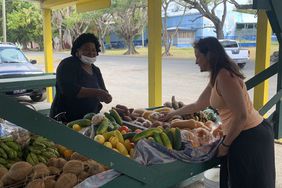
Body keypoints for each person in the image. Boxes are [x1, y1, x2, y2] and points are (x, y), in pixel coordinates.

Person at [164, 37, 275, 188]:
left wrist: (225, 144)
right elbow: (198, 104)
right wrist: (171, 114)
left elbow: (241, 116)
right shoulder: (217, 76)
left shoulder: (224, 77)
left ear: (209, 55)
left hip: (250, 137)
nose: (196, 62)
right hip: (243, 135)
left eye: (198, 56)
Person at [50, 33, 112, 122]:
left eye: (93, 50)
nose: (91, 53)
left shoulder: (95, 70)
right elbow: (69, 90)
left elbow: (103, 91)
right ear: (77, 51)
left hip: (89, 119)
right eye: (86, 49)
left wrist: (106, 97)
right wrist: (97, 92)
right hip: (65, 119)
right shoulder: (67, 65)